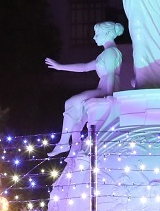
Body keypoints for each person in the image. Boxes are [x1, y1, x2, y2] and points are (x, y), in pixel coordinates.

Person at [45, 21, 125, 156]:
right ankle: (73, 148)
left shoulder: (111, 52)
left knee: (71, 103)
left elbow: (111, 73)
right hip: (103, 87)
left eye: (97, 34)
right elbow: (85, 67)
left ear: (106, 34)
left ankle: (64, 143)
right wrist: (60, 67)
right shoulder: (105, 54)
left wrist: (110, 95)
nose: (94, 37)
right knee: (78, 116)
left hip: (106, 88)